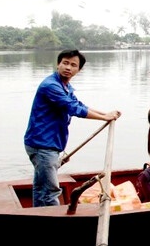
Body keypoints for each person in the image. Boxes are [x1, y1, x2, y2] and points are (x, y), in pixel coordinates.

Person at [23, 49, 121, 207]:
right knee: (50, 190)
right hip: (42, 145)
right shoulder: (51, 86)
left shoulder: (65, 86)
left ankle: (39, 215)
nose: (68, 67)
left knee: (41, 187)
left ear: (79, 70)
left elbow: (79, 104)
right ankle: (53, 221)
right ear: (58, 64)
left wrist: (106, 114)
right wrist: (104, 117)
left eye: (73, 65)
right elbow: (73, 108)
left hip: (49, 143)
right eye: (65, 63)